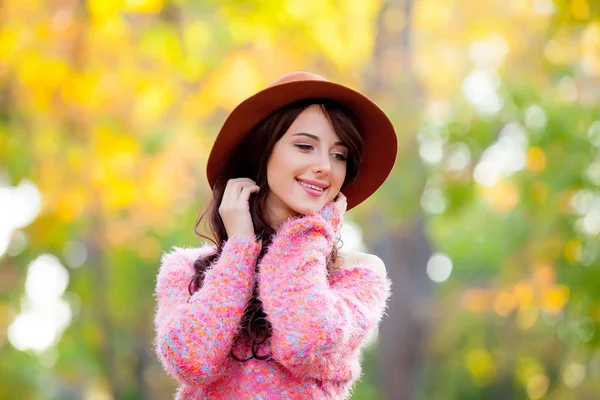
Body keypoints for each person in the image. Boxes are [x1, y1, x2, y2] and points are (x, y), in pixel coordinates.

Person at [153, 71, 398, 399]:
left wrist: (308, 233)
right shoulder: (184, 270)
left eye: (339, 155)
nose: (325, 165)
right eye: (305, 146)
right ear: (263, 151)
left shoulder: (358, 274)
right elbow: (192, 362)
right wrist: (239, 249)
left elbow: (306, 342)